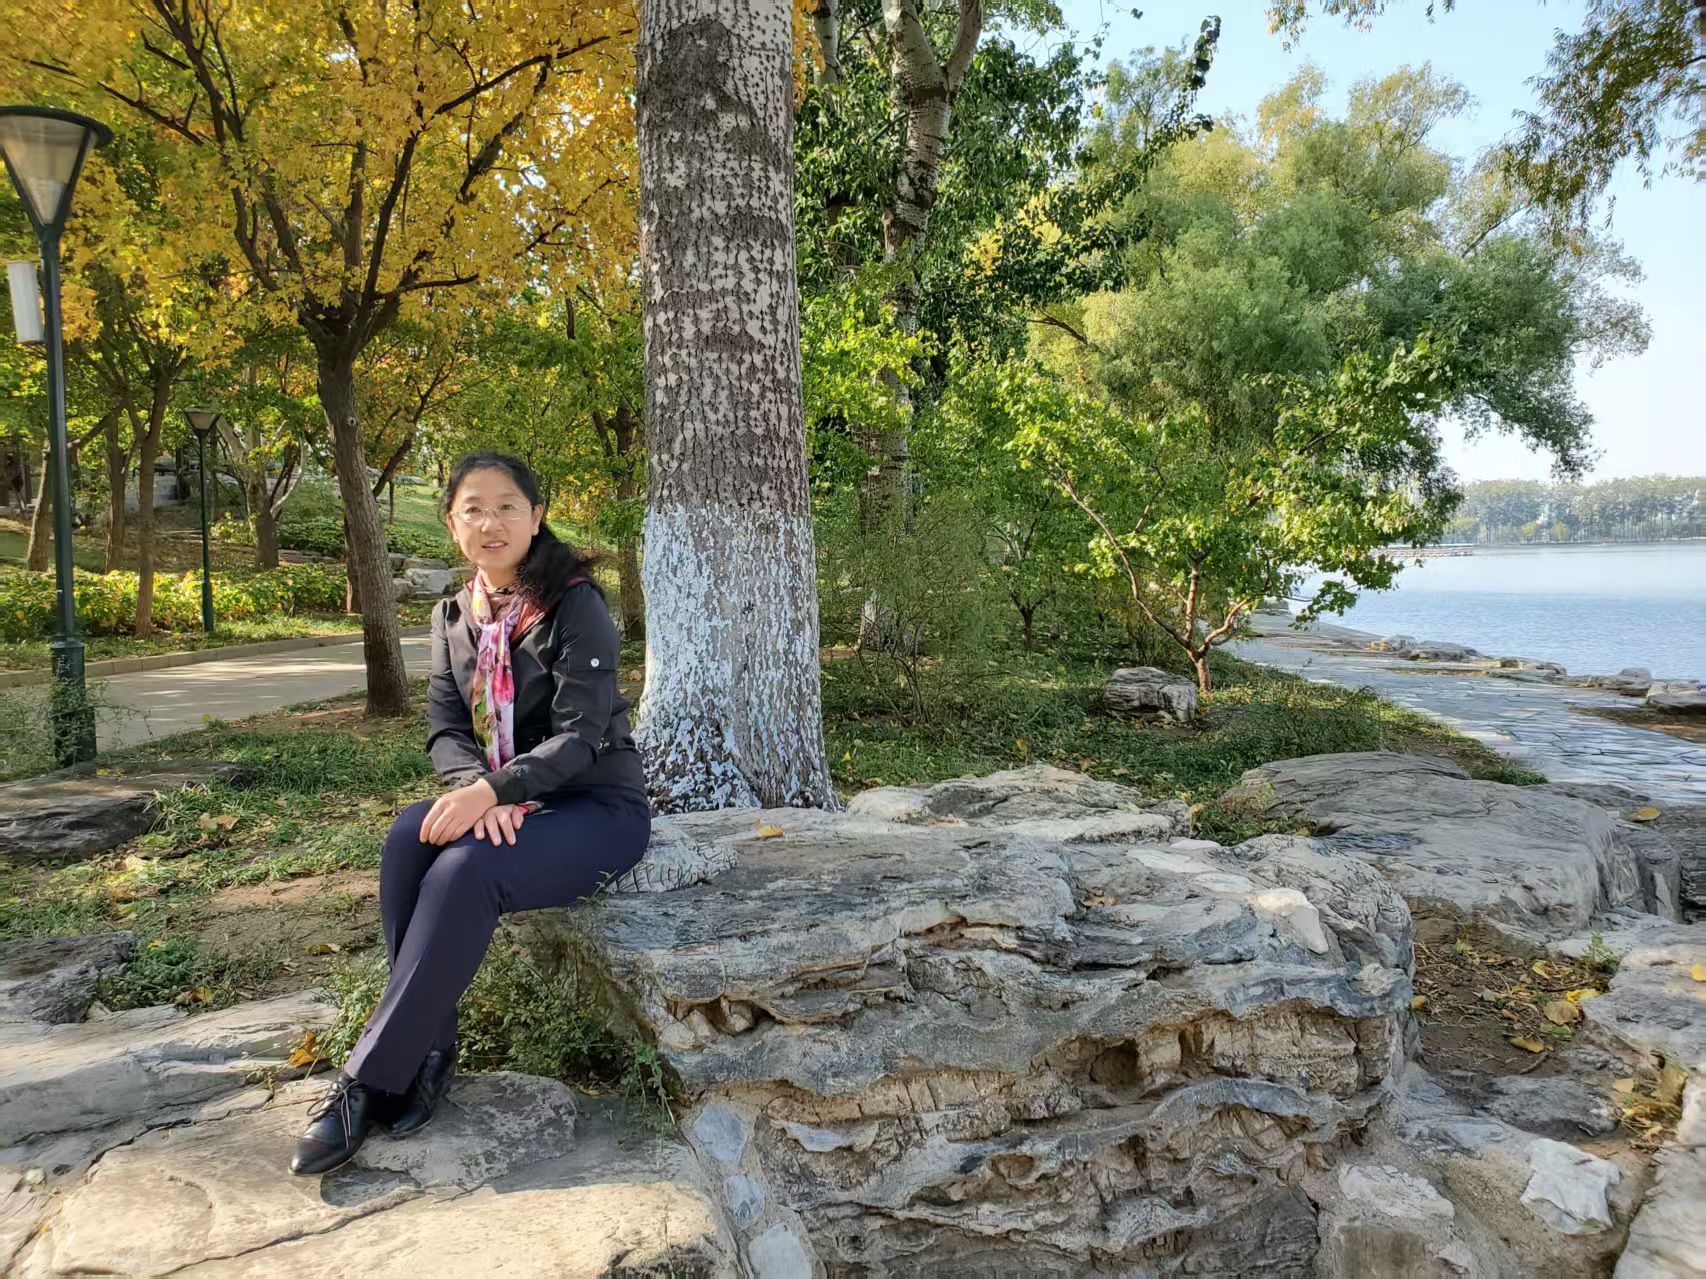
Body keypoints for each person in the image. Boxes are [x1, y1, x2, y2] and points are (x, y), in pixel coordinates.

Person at [290, 451, 652, 1176]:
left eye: (507, 506)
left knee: (465, 869)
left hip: (594, 805)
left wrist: (495, 793)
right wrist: (475, 790)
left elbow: (581, 735)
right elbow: (446, 727)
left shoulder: (575, 603)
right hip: (505, 797)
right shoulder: (452, 615)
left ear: (536, 517)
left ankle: (368, 1080)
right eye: (474, 510)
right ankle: (428, 1047)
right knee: (409, 838)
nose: (492, 523)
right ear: (452, 522)